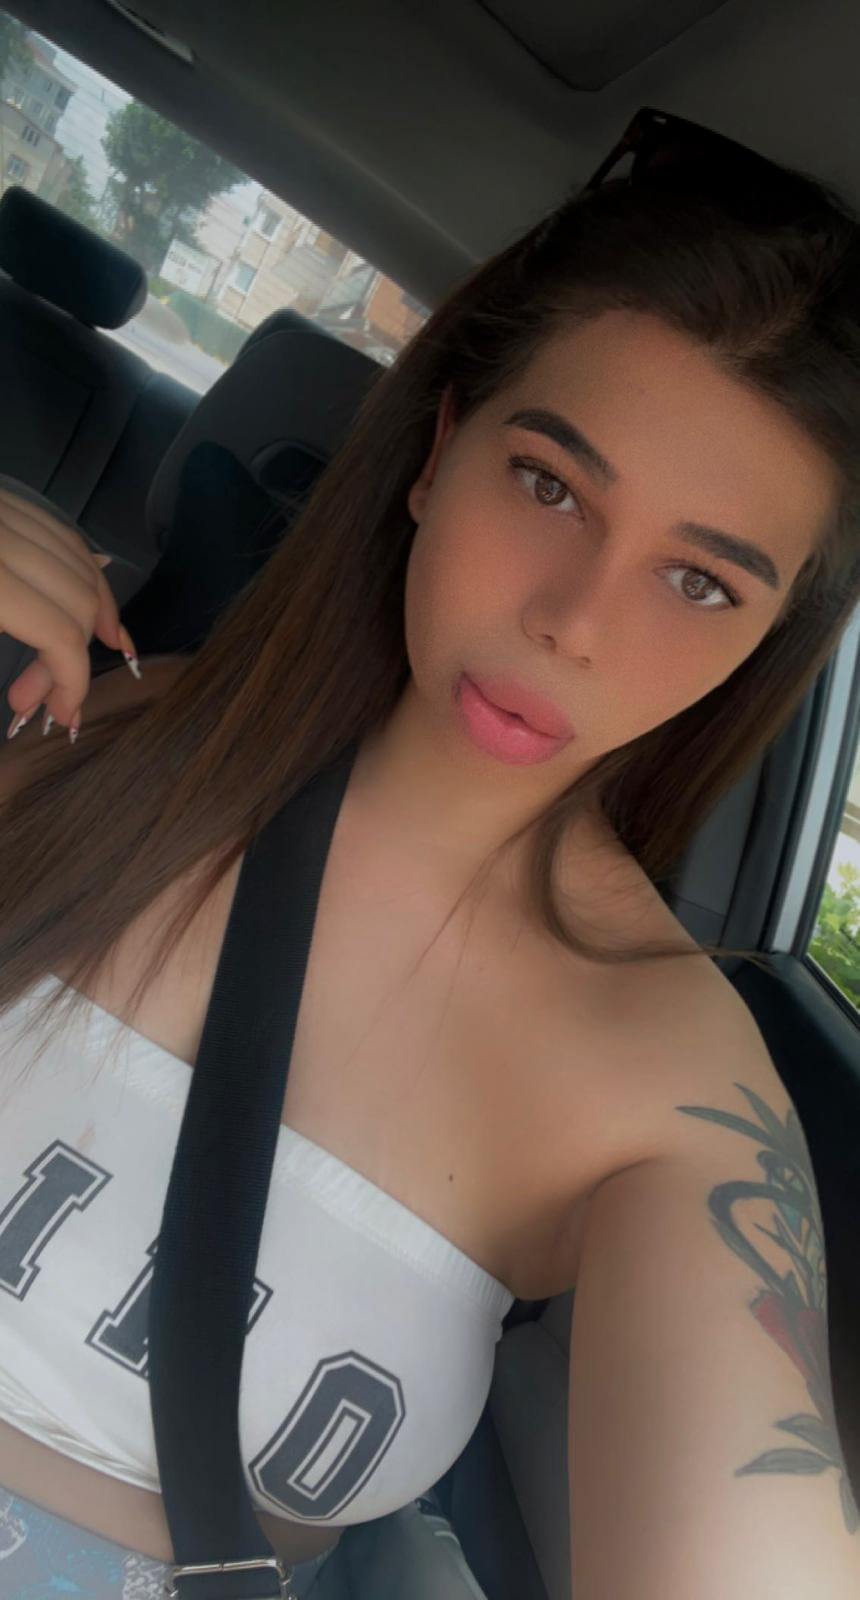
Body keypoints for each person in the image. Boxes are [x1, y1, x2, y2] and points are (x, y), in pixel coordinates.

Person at [1, 148, 859, 1600]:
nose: (573, 621)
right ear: (437, 452)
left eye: (699, 581)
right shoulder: (78, 722)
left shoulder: (676, 1090)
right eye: (548, 483)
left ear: (759, 646)